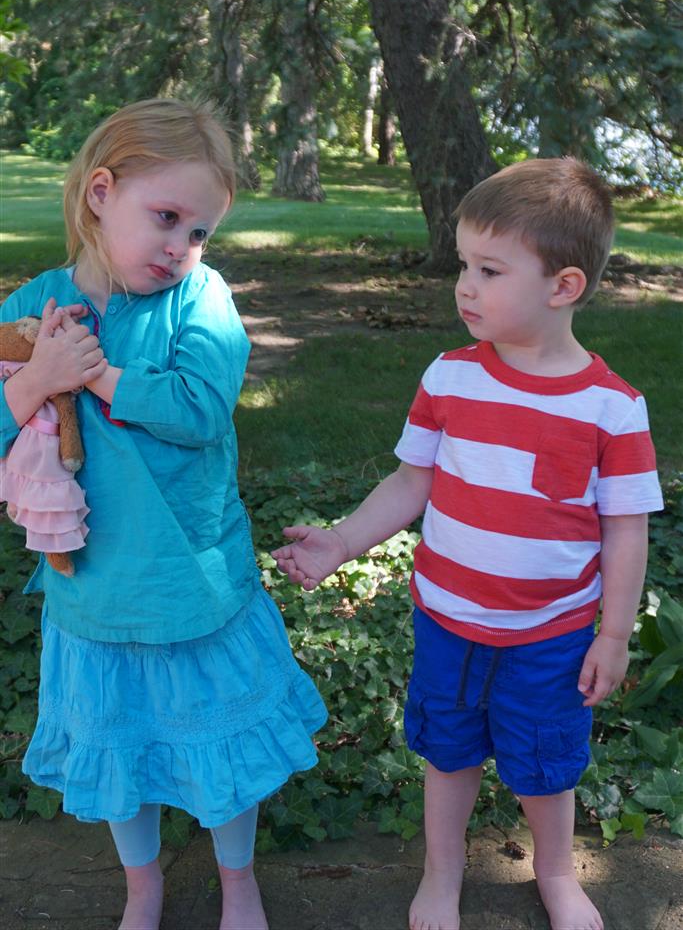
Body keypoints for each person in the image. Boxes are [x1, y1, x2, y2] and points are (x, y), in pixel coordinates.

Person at [273, 157, 664, 930]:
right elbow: (409, 482)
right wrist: (341, 543)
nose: (464, 286)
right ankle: (441, 872)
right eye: (463, 265)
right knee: (447, 752)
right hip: (447, 621)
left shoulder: (611, 409)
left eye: (489, 270)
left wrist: (613, 634)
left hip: (550, 635)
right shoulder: (449, 377)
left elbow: (625, 530)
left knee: (544, 762)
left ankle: (554, 871)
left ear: (562, 286)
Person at [0, 98, 327, 930]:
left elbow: (200, 409)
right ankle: (142, 887)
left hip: (192, 585)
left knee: (220, 752)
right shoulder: (34, 308)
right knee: (122, 753)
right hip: (95, 591)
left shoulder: (200, 299)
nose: (182, 246)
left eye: (200, 231)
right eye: (167, 217)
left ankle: (238, 882)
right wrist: (37, 380)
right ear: (101, 193)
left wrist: (97, 374)